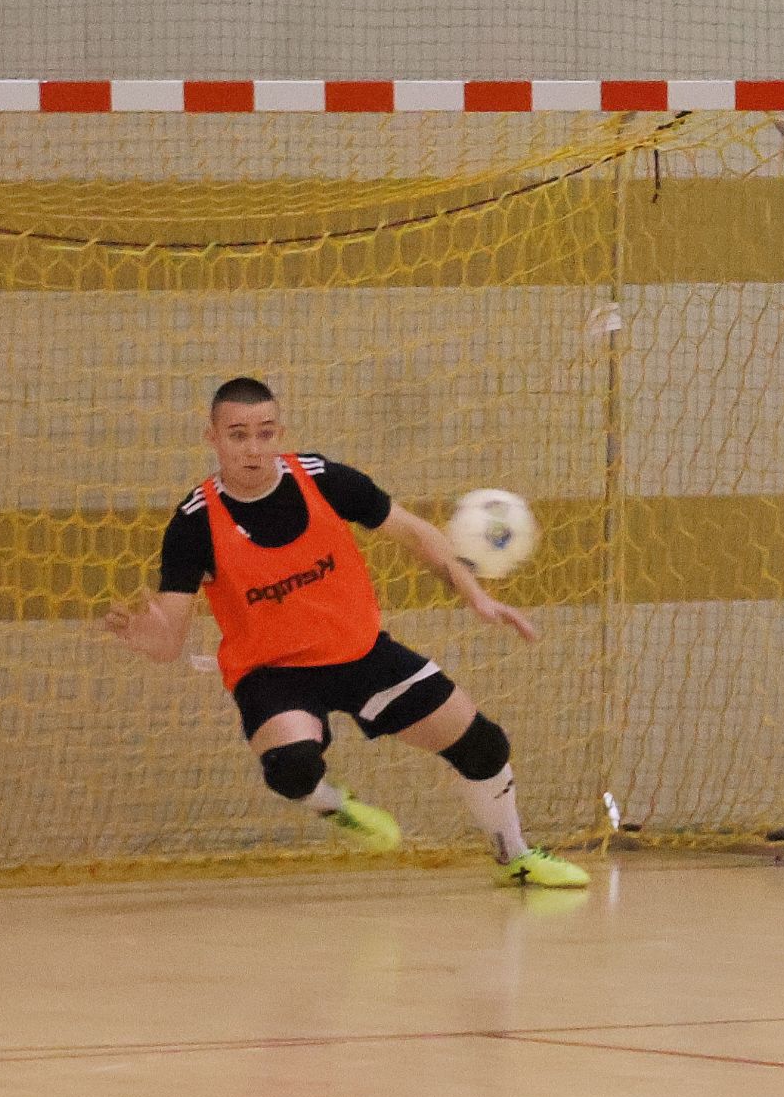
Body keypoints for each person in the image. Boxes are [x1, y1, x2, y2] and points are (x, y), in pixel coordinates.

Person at [104, 376, 589, 889]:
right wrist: (150, 639)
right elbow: (169, 640)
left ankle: (516, 857)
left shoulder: (322, 479)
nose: (253, 448)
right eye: (238, 435)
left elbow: (416, 533)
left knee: (484, 746)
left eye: (265, 433)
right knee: (292, 768)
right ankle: (333, 804)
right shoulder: (194, 523)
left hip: (361, 655)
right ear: (213, 438)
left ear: (280, 433)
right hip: (274, 673)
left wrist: (476, 595)